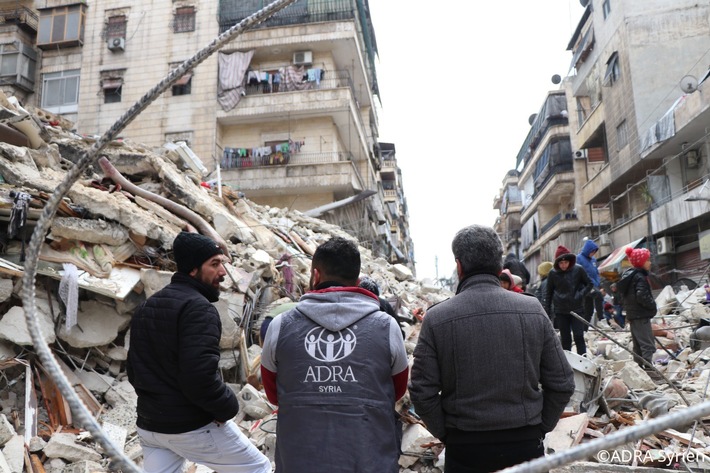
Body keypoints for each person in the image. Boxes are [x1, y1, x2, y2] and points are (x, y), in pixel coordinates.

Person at [409, 225, 575, 473]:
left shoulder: (437, 318)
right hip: (526, 446)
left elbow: (422, 392)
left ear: (459, 266)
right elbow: (562, 383)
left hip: (465, 449)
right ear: (500, 267)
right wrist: (540, 428)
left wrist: (448, 434)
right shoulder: (532, 310)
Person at [260, 237, 409, 473]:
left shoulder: (280, 326)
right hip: (369, 461)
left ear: (316, 275)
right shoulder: (387, 327)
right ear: (358, 280)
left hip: (300, 461)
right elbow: (396, 390)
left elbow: (273, 394)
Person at [127, 232, 270, 473]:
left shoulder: (147, 306)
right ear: (193, 269)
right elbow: (199, 378)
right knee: (258, 468)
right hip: (188, 427)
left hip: (151, 427)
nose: (223, 272)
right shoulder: (198, 309)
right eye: (214, 264)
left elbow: (134, 370)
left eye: (222, 263)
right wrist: (228, 407)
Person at [545, 245, 593, 355]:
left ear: (569, 261)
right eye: (561, 263)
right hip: (561, 310)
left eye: (565, 262)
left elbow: (589, 284)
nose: (563, 265)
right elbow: (549, 293)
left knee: (578, 336)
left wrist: (580, 294)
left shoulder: (578, 269)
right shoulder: (553, 273)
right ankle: (567, 364)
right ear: (557, 263)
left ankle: (583, 360)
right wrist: (547, 311)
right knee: (565, 338)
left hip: (577, 308)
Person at [616, 247, 657, 368]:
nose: (650, 263)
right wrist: (652, 306)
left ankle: (638, 368)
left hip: (633, 314)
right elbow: (641, 296)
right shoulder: (639, 277)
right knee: (647, 344)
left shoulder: (629, 276)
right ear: (641, 262)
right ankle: (649, 369)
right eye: (647, 260)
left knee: (638, 344)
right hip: (641, 314)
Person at [577, 239, 603, 327]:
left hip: (594, 285)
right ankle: (601, 319)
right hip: (586, 285)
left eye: (594, 251)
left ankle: (584, 330)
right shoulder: (579, 258)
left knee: (589, 310)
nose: (593, 253)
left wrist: (598, 282)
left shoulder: (594, 260)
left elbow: (596, 272)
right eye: (592, 251)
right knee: (598, 295)